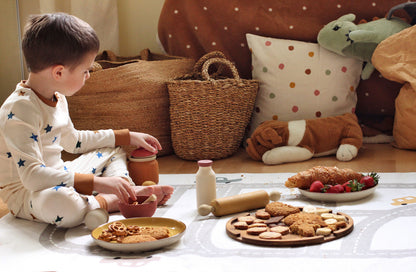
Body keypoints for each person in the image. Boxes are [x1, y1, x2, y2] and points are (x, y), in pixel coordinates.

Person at [0, 13, 173, 228]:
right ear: (59, 72)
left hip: (60, 174)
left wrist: (127, 136)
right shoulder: (19, 109)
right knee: (64, 206)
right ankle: (110, 200)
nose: (88, 76)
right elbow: (32, 177)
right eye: (85, 71)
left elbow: (73, 141)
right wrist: (97, 183)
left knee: (114, 150)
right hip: (28, 193)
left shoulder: (56, 95)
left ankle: (121, 187)